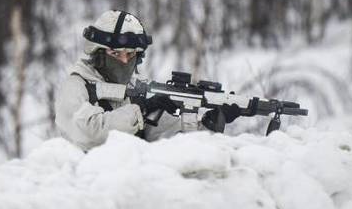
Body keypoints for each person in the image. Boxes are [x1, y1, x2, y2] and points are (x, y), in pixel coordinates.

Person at [54, 9, 239, 151]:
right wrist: (141, 110)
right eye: (116, 53)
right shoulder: (77, 86)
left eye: (131, 54)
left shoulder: (135, 89)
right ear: (98, 52)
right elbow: (86, 133)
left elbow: (176, 142)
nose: (125, 61)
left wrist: (210, 124)